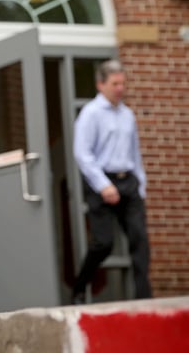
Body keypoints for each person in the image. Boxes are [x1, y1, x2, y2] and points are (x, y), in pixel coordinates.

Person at [71, 59, 152, 304]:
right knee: (103, 243)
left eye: (123, 83)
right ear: (101, 84)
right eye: (115, 83)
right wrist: (103, 185)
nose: (120, 88)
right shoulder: (90, 114)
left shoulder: (127, 115)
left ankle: (144, 299)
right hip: (101, 183)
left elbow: (134, 153)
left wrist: (141, 183)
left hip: (128, 182)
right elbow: (82, 154)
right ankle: (79, 287)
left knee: (140, 241)